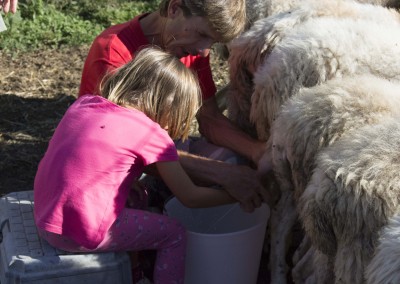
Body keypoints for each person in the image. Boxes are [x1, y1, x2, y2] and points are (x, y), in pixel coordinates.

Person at [34, 47, 239, 284]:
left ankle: (132, 273)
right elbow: (190, 197)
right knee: (174, 233)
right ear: (169, 105)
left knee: (137, 195)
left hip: (44, 218)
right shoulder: (151, 134)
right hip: (76, 233)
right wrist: (233, 196)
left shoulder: (86, 103)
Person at [79, 0, 271, 212]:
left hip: (165, 150)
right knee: (116, 206)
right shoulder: (114, 53)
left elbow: (209, 117)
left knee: (233, 161)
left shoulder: (187, 48)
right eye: (202, 34)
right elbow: (121, 148)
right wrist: (220, 173)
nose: (203, 51)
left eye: (212, 43)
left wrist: (257, 151)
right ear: (174, 8)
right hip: (117, 162)